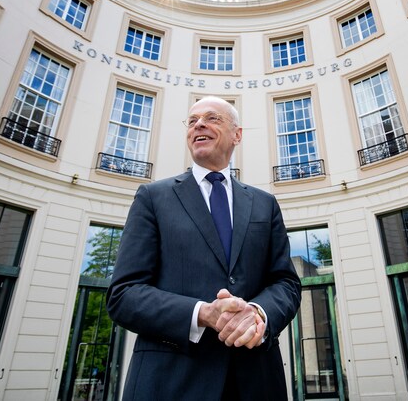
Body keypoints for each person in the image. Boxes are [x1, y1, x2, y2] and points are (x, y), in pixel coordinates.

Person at [106, 96, 301, 400]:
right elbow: (124, 294)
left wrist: (259, 314)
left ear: (237, 134)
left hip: (257, 383)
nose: (199, 124)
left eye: (212, 118)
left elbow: (286, 282)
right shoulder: (152, 198)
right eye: (193, 120)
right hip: (170, 383)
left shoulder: (265, 204)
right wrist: (202, 313)